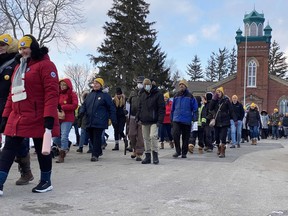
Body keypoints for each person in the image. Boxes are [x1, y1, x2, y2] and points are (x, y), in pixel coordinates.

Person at [0, 34, 60, 195]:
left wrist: (49, 117)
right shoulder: (19, 67)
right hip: (18, 115)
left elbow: (52, 93)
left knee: (42, 149)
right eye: (20, 48)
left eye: (25, 47)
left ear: (33, 48)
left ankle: (46, 181)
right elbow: (11, 95)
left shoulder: (46, 66)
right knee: (9, 148)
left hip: (38, 115)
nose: (22, 51)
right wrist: (5, 116)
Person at [78, 78, 117, 162]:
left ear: (101, 85)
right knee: (91, 137)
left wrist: (112, 118)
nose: (95, 85)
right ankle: (98, 150)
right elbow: (84, 105)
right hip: (90, 120)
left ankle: (94, 155)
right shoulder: (90, 95)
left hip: (100, 120)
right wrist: (81, 112)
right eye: (94, 83)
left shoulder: (105, 96)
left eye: (97, 83)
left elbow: (111, 107)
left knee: (96, 137)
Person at [136, 78, 165, 164]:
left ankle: (155, 155)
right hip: (144, 120)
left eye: (147, 85)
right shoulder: (142, 95)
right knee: (146, 138)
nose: (146, 87)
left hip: (154, 120)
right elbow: (139, 107)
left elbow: (161, 108)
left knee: (153, 136)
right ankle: (147, 156)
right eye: (144, 85)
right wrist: (138, 117)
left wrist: (160, 120)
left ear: (151, 85)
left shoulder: (158, 94)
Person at [171, 79, 198, 158]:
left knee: (185, 137)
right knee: (175, 135)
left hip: (186, 120)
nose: (181, 86)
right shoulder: (176, 96)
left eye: (183, 84)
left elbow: (195, 109)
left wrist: (194, 119)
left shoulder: (190, 96)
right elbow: (172, 109)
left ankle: (184, 152)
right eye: (180, 85)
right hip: (176, 119)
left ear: (186, 86)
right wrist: (171, 119)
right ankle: (178, 151)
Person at [53, 78, 78, 163]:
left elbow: (75, 105)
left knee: (64, 136)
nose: (62, 86)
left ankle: (62, 154)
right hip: (58, 117)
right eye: (61, 85)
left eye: (64, 85)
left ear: (68, 86)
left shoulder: (72, 94)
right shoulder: (57, 94)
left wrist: (63, 107)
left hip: (68, 117)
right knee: (55, 137)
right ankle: (66, 145)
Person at [209, 87, 236, 158]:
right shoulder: (215, 101)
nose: (218, 93)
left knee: (223, 137)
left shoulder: (226, 100)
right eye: (217, 92)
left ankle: (222, 151)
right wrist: (213, 99)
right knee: (216, 137)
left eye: (219, 92)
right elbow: (210, 108)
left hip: (225, 121)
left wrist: (234, 119)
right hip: (217, 121)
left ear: (222, 93)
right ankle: (219, 148)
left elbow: (231, 110)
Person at [127, 76, 145, 161]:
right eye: (138, 83)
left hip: (142, 117)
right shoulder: (133, 93)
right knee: (131, 134)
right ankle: (134, 148)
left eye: (141, 83)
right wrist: (126, 112)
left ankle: (139, 153)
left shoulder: (146, 93)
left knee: (140, 136)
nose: (139, 84)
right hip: (132, 116)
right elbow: (128, 103)